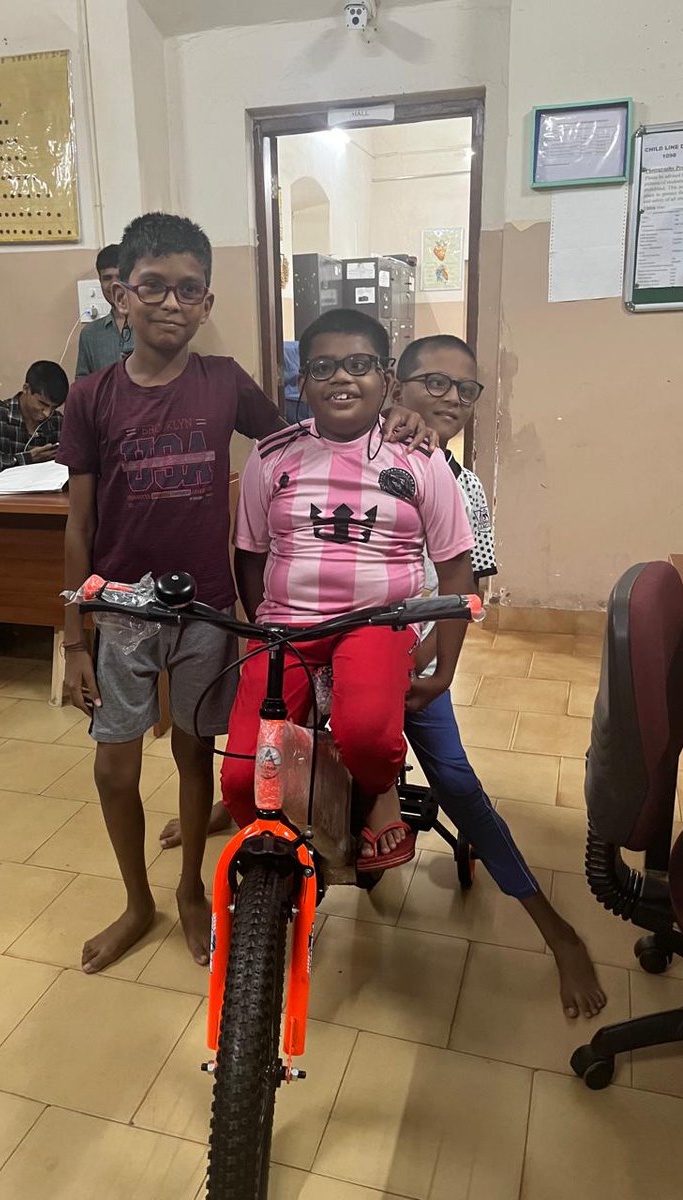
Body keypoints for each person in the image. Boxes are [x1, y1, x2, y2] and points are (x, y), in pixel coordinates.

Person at [58, 215, 430, 973]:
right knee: (113, 769)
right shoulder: (91, 397)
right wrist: (73, 638)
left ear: (206, 300)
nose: (171, 303)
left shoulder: (224, 382)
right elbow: (78, 522)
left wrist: (394, 413)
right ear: (120, 296)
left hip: (205, 611)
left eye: (188, 289)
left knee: (200, 758)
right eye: (152, 287)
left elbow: (312, 432)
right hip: (120, 610)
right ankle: (138, 901)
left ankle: (193, 887)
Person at [396, 333, 607, 1020]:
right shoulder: (349, 456)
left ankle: (558, 934)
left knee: (457, 784)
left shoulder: (465, 485)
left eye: (466, 389)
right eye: (435, 382)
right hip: (331, 652)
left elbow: (471, 589)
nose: (452, 399)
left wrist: (432, 659)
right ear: (397, 386)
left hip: (417, 659)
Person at [221, 308, 475, 869]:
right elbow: (251, 554)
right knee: (241, 781)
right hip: (285, 628)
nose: (341, 378)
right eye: (323, 367)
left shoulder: (422, 458)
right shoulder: (271, 456)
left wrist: (446, 670)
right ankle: (290, 855)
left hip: (377, 623)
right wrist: (259, 629)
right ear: (302, 382)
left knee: (366, 737)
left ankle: (378, 793)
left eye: (358, 364)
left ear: (385, 379)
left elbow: (457, 572)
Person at [0, 360, 67, 470]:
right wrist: (24, 458)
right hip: (1, 486)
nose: (47, 413)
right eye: (42, 403)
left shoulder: (57, 420)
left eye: (54, 407)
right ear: (26, 389)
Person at [75, 244, 135, 378]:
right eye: (107, 278)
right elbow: (82, 385)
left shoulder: (150, 326)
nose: (114, 284)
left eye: (120, 277)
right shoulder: (90, 335)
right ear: (100, 281)